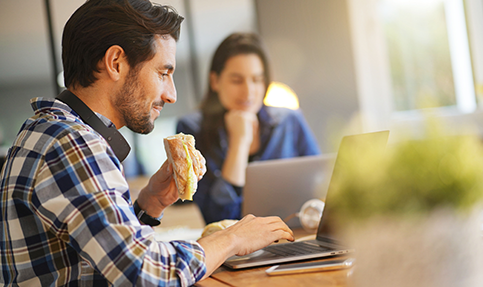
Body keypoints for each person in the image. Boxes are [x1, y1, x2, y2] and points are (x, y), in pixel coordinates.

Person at [0, 1, 294, 286]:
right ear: (116, 63)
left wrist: (150, 203)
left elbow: (99, 254)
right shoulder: (73, 144)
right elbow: (146, 273)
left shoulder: (50, 131)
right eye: (163, 72)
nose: (171, 95)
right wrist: (233, 238)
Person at [177, 33, 321, 224]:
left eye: (256, 80)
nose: (248, 92)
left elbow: (322, 189)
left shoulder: (290, 121)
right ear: (215, 81)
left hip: (293, 234)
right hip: (234, 249)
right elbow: (218, 219)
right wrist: (240, 142)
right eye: (237, 80)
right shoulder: (192, 130)